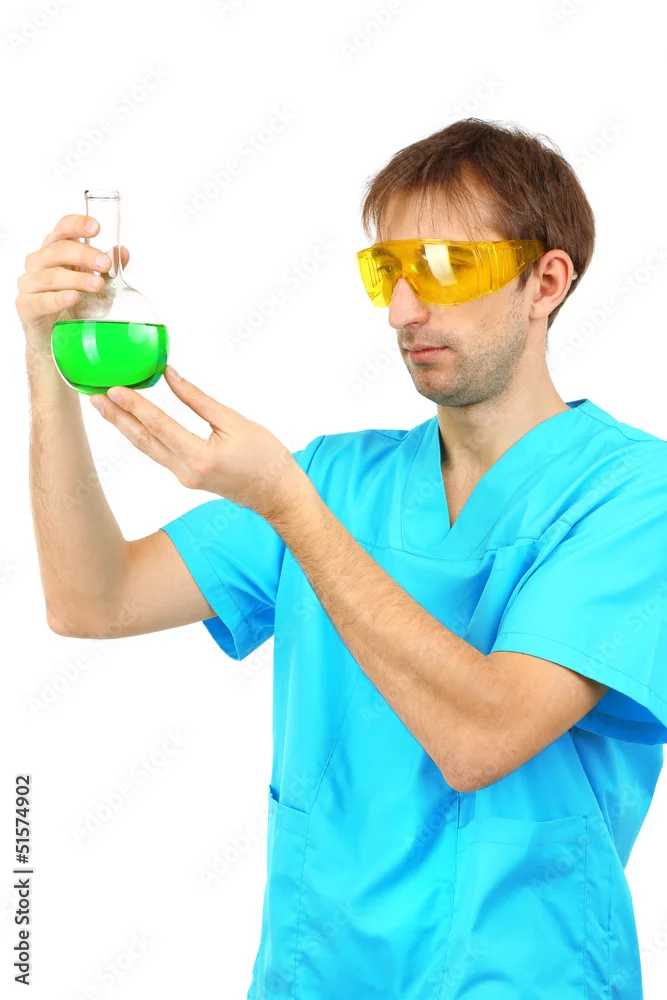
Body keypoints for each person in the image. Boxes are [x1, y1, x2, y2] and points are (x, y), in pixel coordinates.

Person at [17, 118, 667, 1000]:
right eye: (386, 271)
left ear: (544, 282)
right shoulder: (337, 478)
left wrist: (290, 507)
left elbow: (481, 738)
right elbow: (93, 599)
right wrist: (47, 366)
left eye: (442, 267)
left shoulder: (631, 495)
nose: (402, 310)